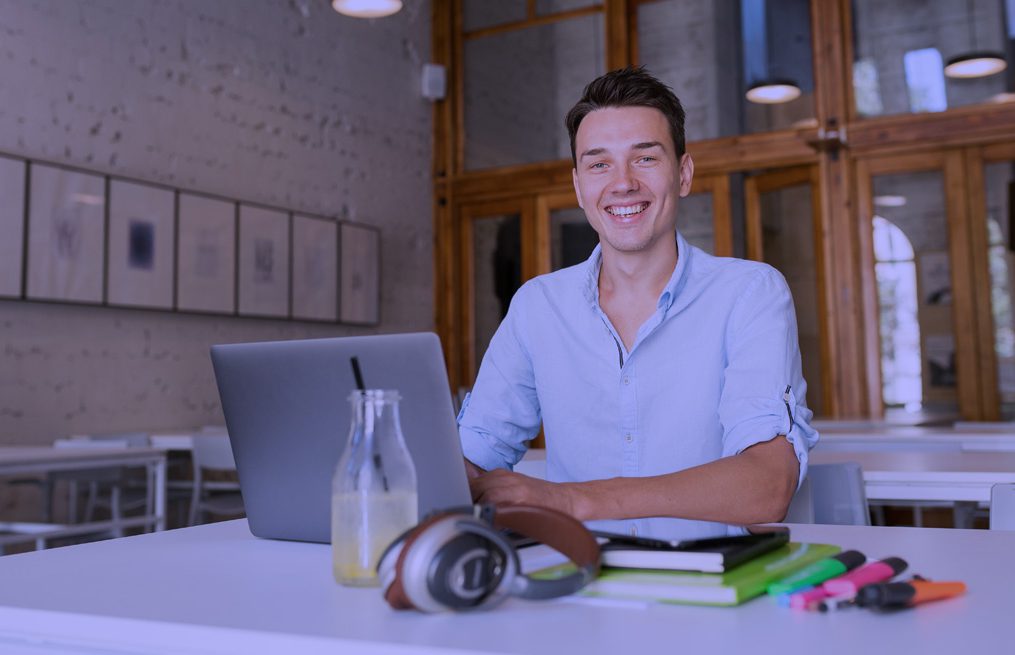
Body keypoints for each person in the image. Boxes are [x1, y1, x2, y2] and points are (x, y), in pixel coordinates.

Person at [457, 67, 818, 540]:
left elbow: (767, 487)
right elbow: (473, 454)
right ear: (579, 187)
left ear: (683, 174)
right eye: (599, 164)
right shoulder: (537, 306)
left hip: (711, 576)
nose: (622, 183)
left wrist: (573, 500)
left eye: (645, 158)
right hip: (579, 575)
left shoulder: (750, 294)